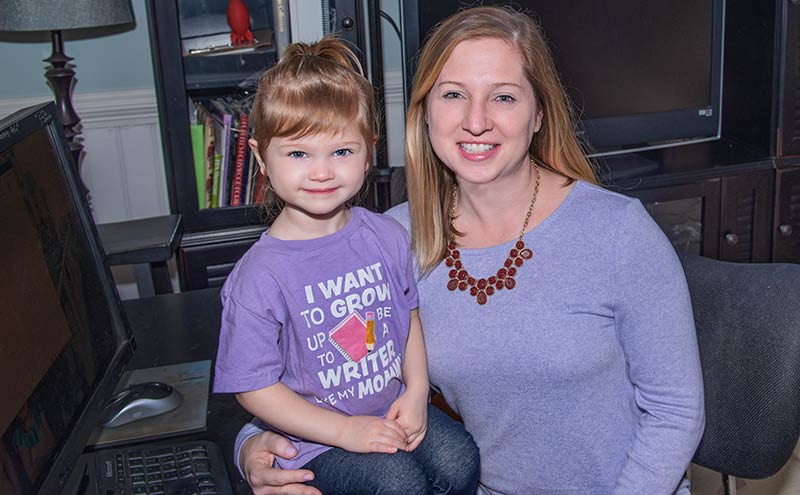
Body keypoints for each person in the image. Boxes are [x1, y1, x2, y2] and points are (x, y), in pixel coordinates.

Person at [234, 5, 705, 495]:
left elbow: (676, 412)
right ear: (425, 111)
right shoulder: (391, 242)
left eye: (503, 96)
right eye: (454, 94)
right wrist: (251, 447)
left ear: (539, 113)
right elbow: (321, 376)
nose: (476, 121)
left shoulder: (617, 232)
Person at [213, 37, 480, 495]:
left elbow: (408, 318)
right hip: (317, 439)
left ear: (369, 151)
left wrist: (416, 391)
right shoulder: (258, 277)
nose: (322, 172)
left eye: (341, 152)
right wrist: (344, 432)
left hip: (393, 411)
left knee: (460, 461)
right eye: (298, 154)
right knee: (397, 486)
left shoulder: (386, 236)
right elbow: (253, 389)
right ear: (261, 157)